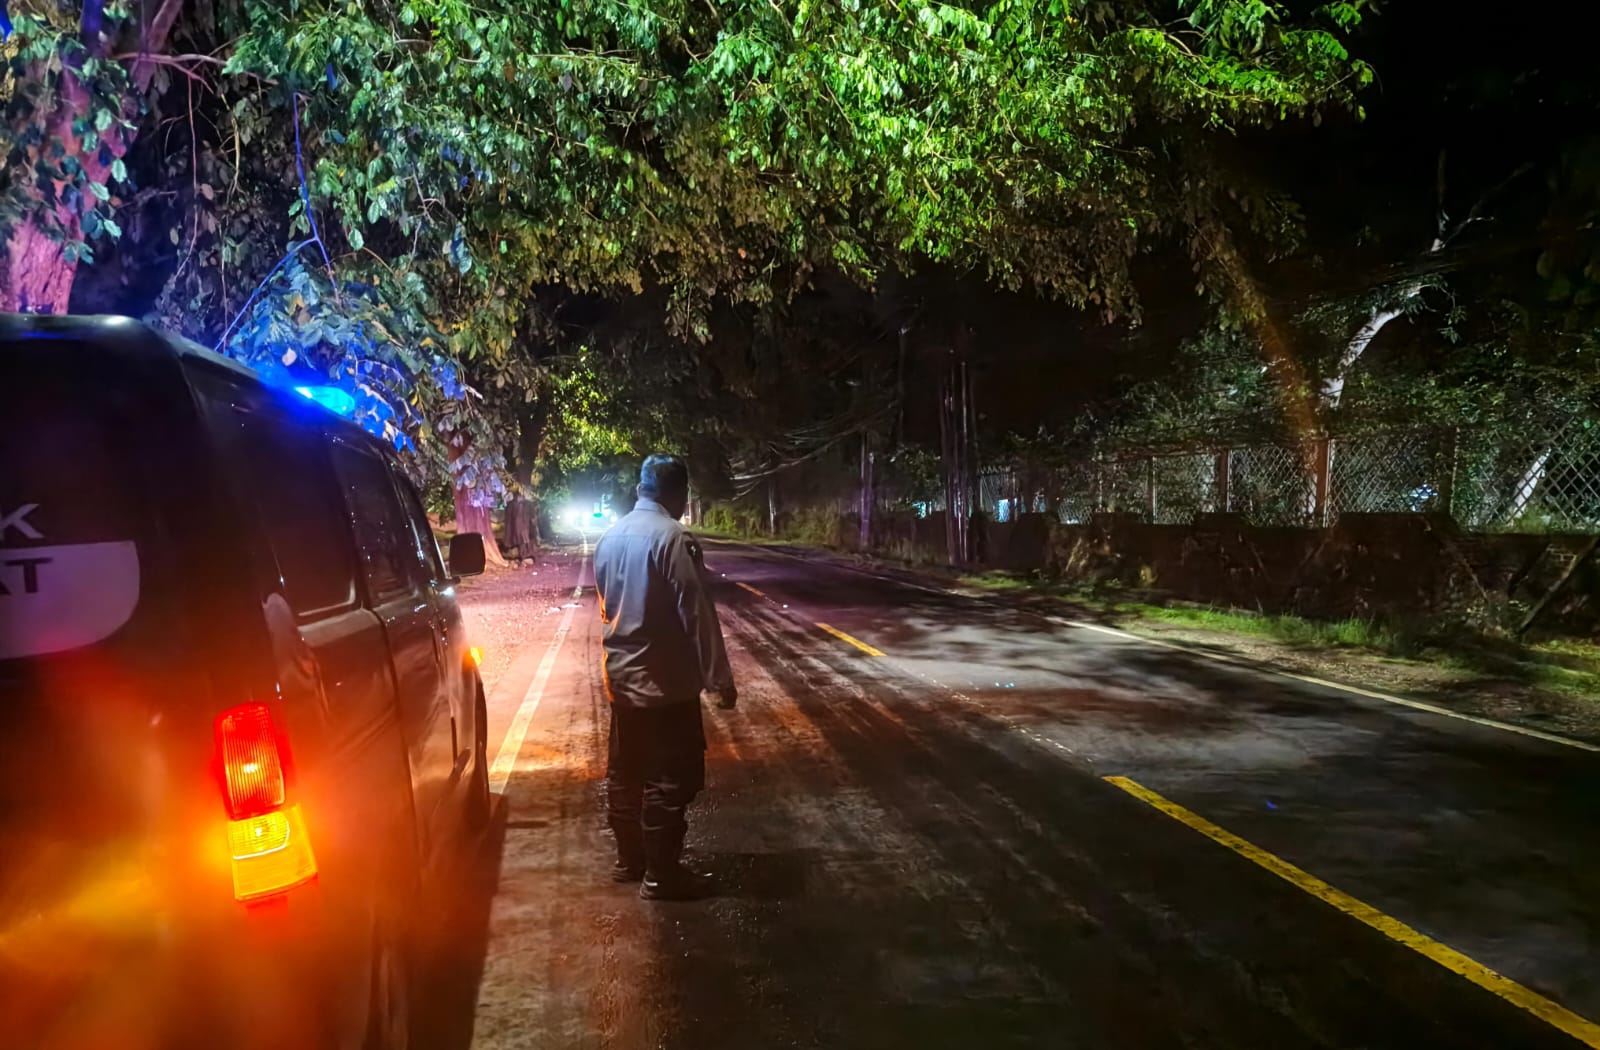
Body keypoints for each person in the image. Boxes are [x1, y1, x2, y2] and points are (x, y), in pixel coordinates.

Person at [592, 454, 736, 900]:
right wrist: (719, 678)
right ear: (677, 492)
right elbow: (697, 612)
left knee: (627, 772)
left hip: (622, 682)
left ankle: (630, 861)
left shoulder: (610, 537)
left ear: (641, 488)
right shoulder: (673, 538)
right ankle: (661, 875)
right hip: (666, 685)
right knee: (671, 778)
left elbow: (606, 607)